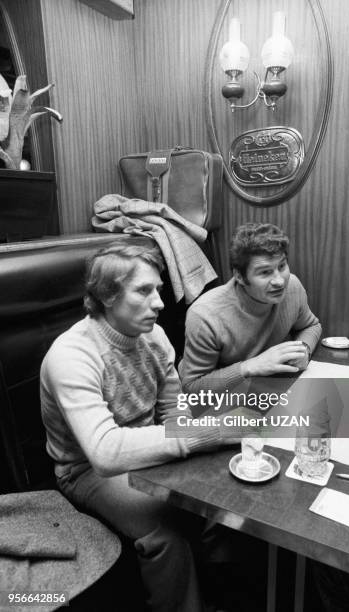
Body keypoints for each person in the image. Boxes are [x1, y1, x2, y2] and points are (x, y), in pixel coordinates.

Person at [40, 242, 232, 612]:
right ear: (107, 296)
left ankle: (222, 591)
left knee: (222, 494)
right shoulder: (71, 356)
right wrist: (206, 435)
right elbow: (106, 452)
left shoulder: (155, 336)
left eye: (158, 290)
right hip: (86, 471)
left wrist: (195, 457)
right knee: (166, 529)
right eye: (144, 291)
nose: (159, 303)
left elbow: (173, 405)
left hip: (147, 451)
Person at [179, 222, 322, 393]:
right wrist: (250, 367)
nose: (280, 281)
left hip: (270, 390)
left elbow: (311, 325)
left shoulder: (292, 286)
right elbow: (192, 386)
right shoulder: (204, 315)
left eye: (282, 266)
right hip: (224, 400)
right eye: (265, 272)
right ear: (239, 276)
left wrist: (304, 349)